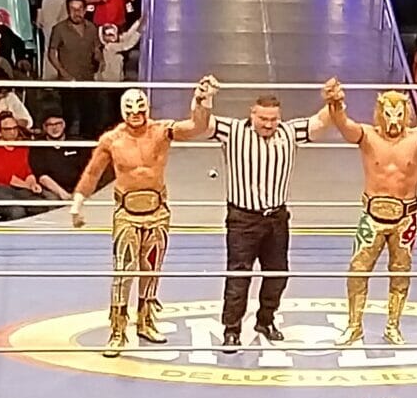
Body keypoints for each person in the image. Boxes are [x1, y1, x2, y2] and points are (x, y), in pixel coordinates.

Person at [71, 83, 213, 356]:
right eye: (130, 110)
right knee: (124, 271)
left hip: (157, 212)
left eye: (140, 109)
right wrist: (78, 203)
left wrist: (202, 103)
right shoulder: (111, 140)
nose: (136, 114)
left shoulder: (162, 131)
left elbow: (197, 127)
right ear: (122, 111)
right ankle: (117, 330)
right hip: (127, 213)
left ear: (147, 108)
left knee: (151, 269)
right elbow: (92, 173)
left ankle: (145, 321)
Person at [323, 85, 417, 346]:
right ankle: (354, 326)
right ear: (379, 113)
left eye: (399, 114)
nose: (393, 120)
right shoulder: (367, 135)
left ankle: (393, 326)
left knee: (401, 273)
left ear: (406, 114)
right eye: (388, 114)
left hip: (405, 217)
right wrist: (336, 104)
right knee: (357, 270)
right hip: (372, 216)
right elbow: (344, 125)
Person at [210, 93, 323, 351]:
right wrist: (202, 101)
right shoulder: (233, 131)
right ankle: (231, 329)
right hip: (243, 218)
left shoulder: (289, 132)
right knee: (239, 275)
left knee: (278, 273)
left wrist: (334, 102)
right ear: (252, 114)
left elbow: (320, 122)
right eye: (263, 118)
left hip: (276, 217)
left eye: (273, 119)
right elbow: (202, 124)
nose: (268, 124)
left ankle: (266, 320)